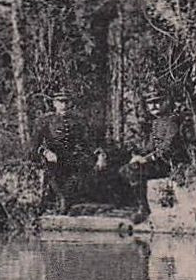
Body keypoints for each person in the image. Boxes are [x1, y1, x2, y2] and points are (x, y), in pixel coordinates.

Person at [30, 86, 105, 213]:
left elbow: (88, 142)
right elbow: (34, 145)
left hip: (71, 157)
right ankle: (59, 200)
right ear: (54, 103)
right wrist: (46, 152)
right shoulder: (44, 121)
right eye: (60, 102)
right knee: (53, 172)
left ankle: (69, 199)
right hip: (52, 158)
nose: (63, 105)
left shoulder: (77, 121)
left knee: (82, 169)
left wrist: (100, 154)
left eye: (66, 102)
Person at [118, 88, 185, 223]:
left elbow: (168, 148)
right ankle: (141, 205)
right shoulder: (157, 122)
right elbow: (149, 147)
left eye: (157, 102)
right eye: (150, 103)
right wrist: (137, 153)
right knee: (125, 169)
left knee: (134, 170)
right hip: (159, 161)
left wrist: (146, 159)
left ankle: (144, 209)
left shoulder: (171, 122)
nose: (153, 106)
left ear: (166, 103)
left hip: (169, 164)